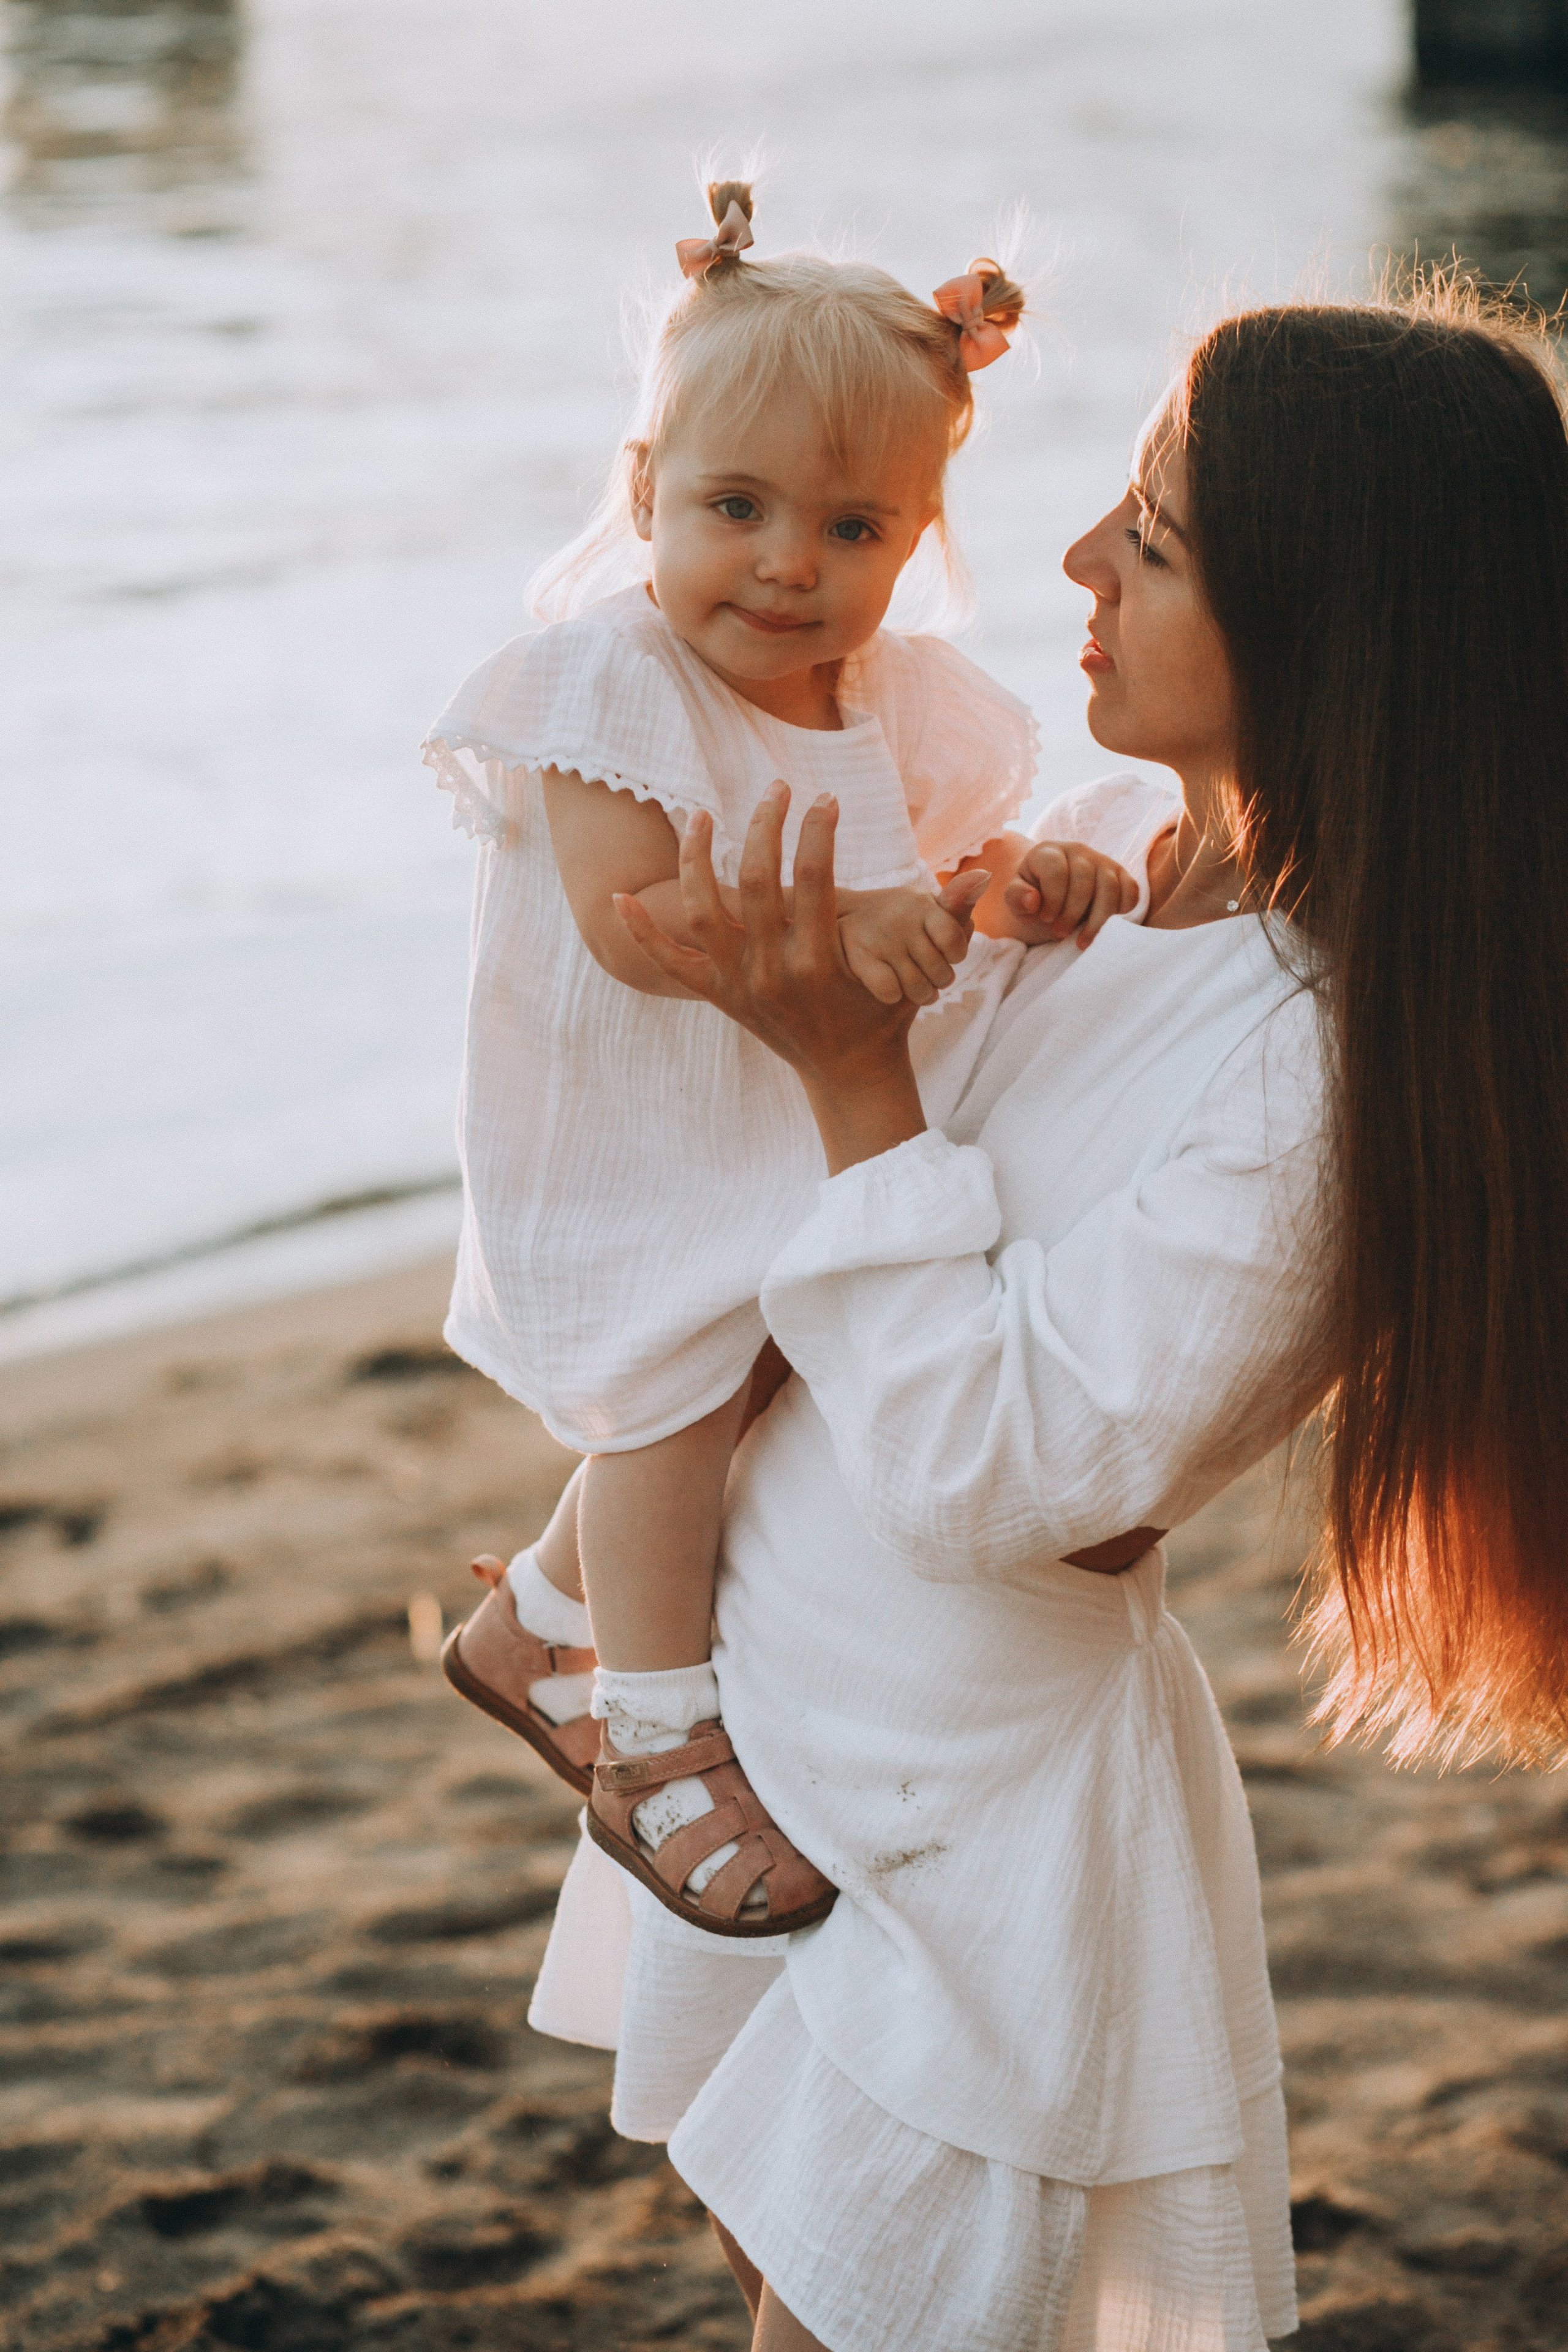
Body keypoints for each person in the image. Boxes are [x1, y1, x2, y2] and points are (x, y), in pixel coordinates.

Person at [524, 279, 1568, 2350]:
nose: (1078, 559)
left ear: (1327, 630)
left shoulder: (1324, 1073)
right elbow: (789, 1244)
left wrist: (851, 1067)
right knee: (769, 2263)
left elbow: (990, 1477)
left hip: (970, 1807)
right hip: (773, 1712)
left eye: (1153, 541)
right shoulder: (1093, 856)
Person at [422, 179, 1136, 1935]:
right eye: (734, 508)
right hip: (638, 1121)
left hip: (787, 1107)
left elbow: (927, 886)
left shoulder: (891, 698)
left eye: (851, 527)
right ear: (646, 492)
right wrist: (861, 931)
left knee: (764, 1359)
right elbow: (635, 923)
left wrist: (1007, 888)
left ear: (919, 536)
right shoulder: (611, 682)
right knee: (679, 1401)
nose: (788, 565)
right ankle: (651, 1734)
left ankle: (533, 1619)